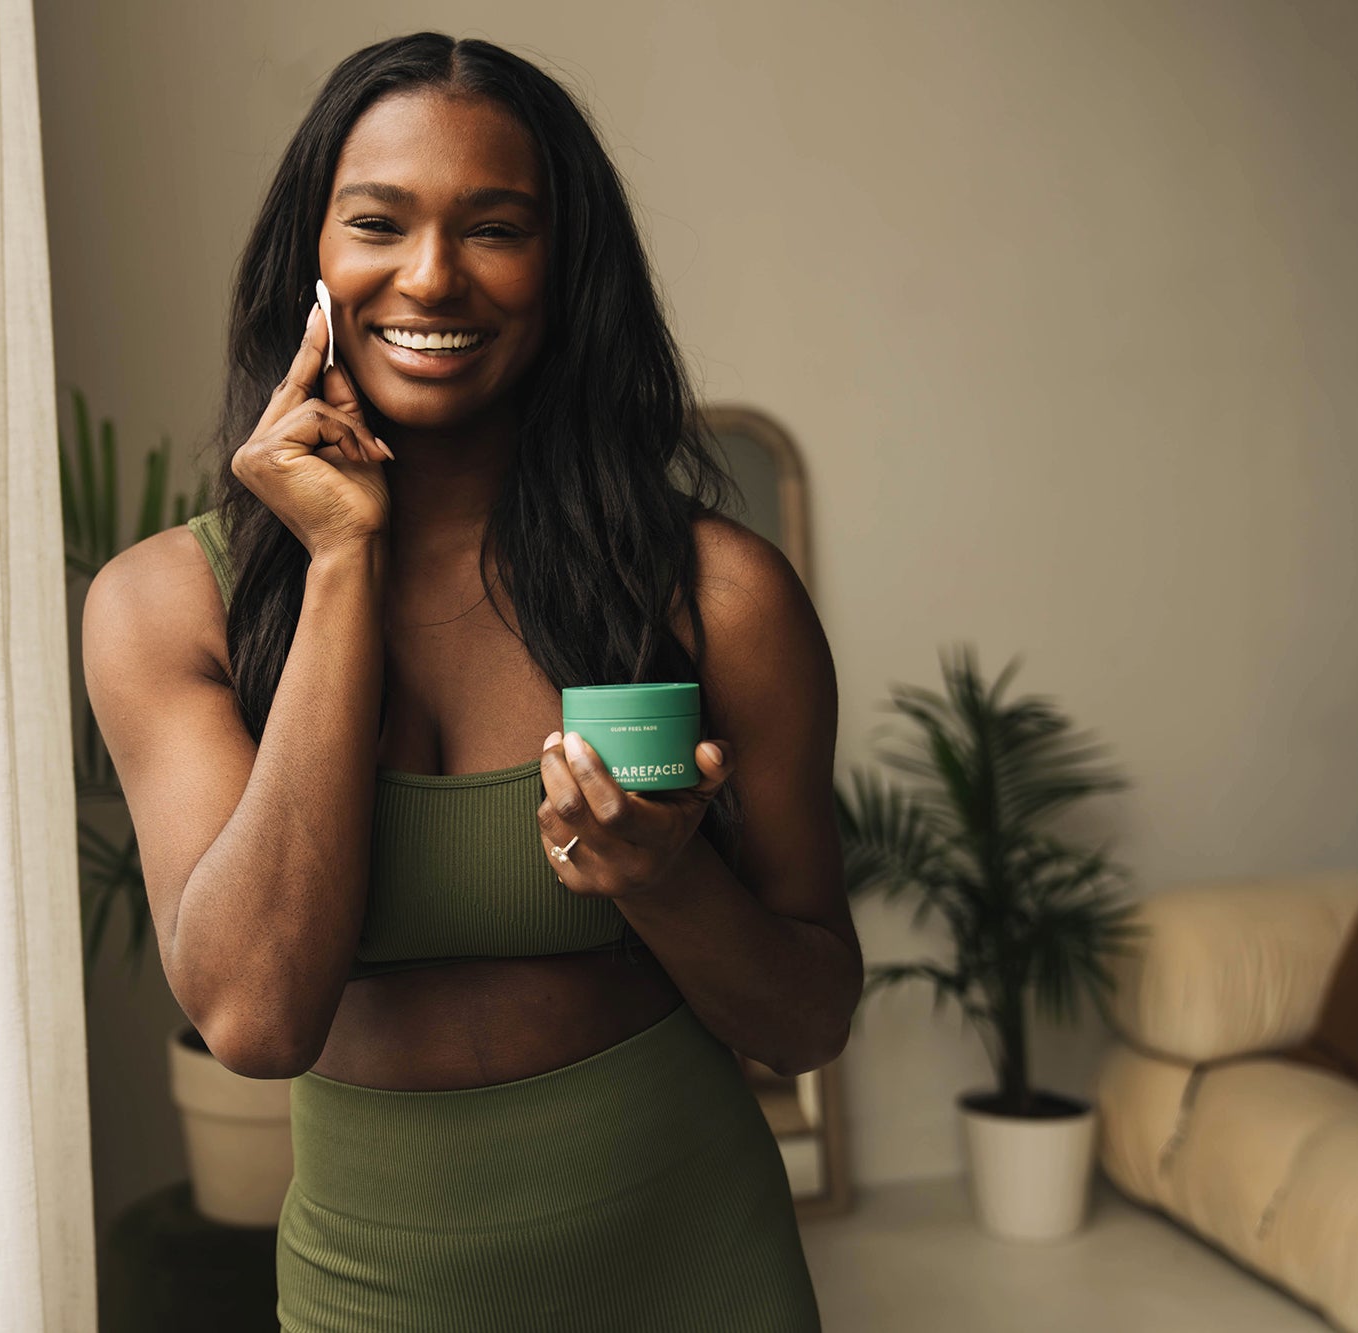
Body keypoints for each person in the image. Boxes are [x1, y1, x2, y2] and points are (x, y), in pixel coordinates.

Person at [83, 30, 860, 1333]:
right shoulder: (165, 607)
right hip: (380, 1288)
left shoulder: (717, 595)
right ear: (311, 260)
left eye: (494, 227)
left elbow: (811, 1016)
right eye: (379, 220)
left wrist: (668, 881)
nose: (433, 274)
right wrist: (339, 557)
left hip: (695, 1263)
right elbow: (258, 1017)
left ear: (565, 274)